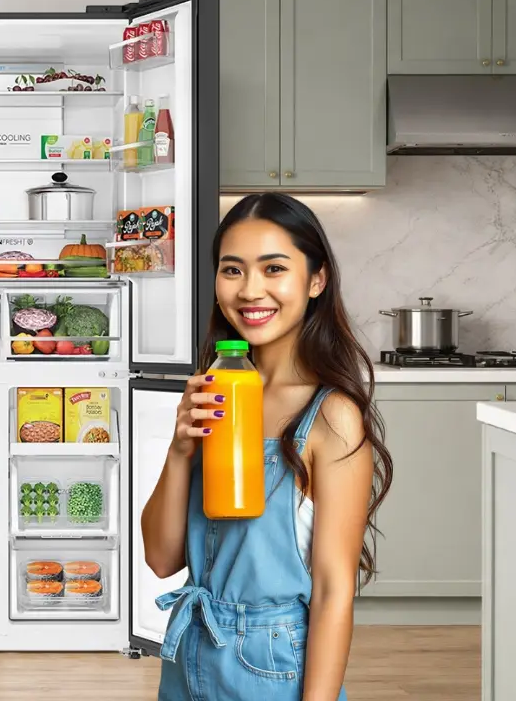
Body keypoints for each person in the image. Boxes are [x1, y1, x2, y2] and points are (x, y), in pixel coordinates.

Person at [142, 192, 394, 700]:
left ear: (316, 279)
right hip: (190, 649)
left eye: (274, 268)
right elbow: (162, 559)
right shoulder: (218, 391)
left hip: (271, 667)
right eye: (232, 271)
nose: (251, 291)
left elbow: (332, 590)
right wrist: (179, 451)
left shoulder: (331, 416)